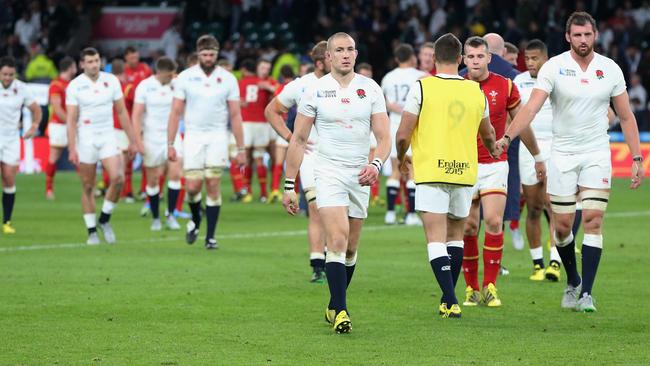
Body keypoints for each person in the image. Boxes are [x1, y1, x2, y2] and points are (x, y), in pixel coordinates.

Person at [498, 11, 644, 312]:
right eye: (577, 35)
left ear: (596, 35)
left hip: (596, 153)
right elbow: (530, 109)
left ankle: (587, 293)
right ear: (568, 37)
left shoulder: (610, 69)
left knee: (593, 220)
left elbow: (626, 116)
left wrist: (637, 156)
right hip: (561, 154)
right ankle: (573, 279)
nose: (582, 40)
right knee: (563, 227)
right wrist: (508, 137)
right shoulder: (555, 67)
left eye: (587, 35)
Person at [282, 32, 390, 333]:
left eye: (350, 49)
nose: (345, 54)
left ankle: (333, 303)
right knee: (338, 239)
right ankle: (342, 311)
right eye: (339, 50)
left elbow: (384, 137)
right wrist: (289, 185)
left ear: (356, 54)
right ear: (328, 56)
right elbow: (299, 139)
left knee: (352, 248)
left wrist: (376, 164)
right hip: (326, 170)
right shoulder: (315, 90)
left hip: (360, 173)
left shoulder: (370, 89)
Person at [396, 33, 498, 318]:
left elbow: (403, 133)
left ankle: (451, 299)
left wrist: (402, 157)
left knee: (435, 238)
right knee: (455, 237)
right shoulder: (475, 91)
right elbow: (488, 134)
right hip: (465, 172)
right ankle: (447, 299)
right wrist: (493, 149)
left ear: (435, 58)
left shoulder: (422, 88)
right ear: (461, 59)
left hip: (431, 170)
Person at [461, 36, 544, 307]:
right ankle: (471, 287)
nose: (475, 61)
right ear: (464, 59)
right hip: (463, 165)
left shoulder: (504, 85)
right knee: (470, 226)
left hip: (495, 162)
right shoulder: (456, 87)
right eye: (470, 56)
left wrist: (537, 156)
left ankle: (490, 286)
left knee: (494, 222)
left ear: (489, 58)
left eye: (479, 56)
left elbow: (522, 121)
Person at [167, 34, 246, 250]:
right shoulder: (185, 77)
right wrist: (171, 144)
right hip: (192, 136)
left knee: (212, 184)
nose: (208, 58)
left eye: (212, 54)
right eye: (204, 54)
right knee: (192, 187)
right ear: (198, 54)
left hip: (217, 136)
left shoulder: (228, 79)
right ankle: (196, 219)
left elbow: (236, 115)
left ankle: (210, 237)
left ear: (217, 54)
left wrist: (240, 148)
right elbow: (175, 113)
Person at [265, 41, 330, 283]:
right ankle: (318, 265)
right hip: (311, 156)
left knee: (338, 213)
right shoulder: (302, 85)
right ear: (319, 63)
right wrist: (290, 137)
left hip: (341, 157)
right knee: (316, 209)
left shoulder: (347, 84)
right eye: (330, 56)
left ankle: (336, 259)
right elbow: (271, 110)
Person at [66, 47, 140, 245]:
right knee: (88, 186)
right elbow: (71, 120)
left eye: (97, 60)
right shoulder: (75, 86)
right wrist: (72, 147)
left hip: (108, 135)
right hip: (86, 138)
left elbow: (122, 112)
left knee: (117, 178)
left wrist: (132, 140)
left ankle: (105, 219)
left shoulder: (111, 81)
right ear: (82, 64)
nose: (94, 65)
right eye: (89, 61)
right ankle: (91, 231)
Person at [513, 39, 563, 282]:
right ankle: (537, 264)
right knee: (533, 208)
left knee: (553, 204)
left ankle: (555, 260)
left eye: (535, 58)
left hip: (555, 146)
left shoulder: (558, 78)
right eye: (528, 58)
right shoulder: (518, 82)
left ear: (545, 58)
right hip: (527, 149)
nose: (530, 63)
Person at [132, 56, 182, 231]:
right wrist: (137, 141)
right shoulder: (145, 86)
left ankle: (170, 215)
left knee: (176, 174)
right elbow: (137, 115)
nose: (172, 77)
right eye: (170, 74)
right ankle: (155, 217)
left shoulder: (178, 85)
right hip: (151, 137)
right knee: (153, 179)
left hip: (173, 136)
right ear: (160, 73)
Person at [381, 44, 427, 226]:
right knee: (413, 171)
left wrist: (394, 107)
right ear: (412, 57)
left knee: (395, 171)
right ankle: (411, 215)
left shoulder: (388, 77)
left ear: (397, 59)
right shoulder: (421, 76)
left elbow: (385, 103)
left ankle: (390, 213)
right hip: (414, 125)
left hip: (394, 125)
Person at [0, 56, 41, 234]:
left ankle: (7, 222)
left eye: (10, 74)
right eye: (4, 74)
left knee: (9, 177)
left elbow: (36, 109)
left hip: (11, 139)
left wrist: (33, 126)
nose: (7, 78)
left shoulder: (22, 88)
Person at [239, 58, 276, 203]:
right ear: (257, 68)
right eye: (263, 68)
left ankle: (255, 192)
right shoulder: (267, 82)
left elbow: (239, 100)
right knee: (255, 158)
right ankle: (259, 193)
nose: (265, 71)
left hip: (253, 123)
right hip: (257, 123)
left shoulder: (244, 82)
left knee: (251, 158)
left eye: (267, 68)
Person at [45, 56, 76, 200]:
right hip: (59, 125)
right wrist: (71, 123)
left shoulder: (74, 84)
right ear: (70, 67)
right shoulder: (56, 84)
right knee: (54, 156)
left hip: (73, 125)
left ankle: (89, 188)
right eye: (74, 66)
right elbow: (57, 109)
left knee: (82, 155)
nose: (76, 68)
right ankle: (49, 189)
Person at [268, 65, 296, 203]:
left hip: (283, 129)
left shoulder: (281, 88)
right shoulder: (298, 86)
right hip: (296, 130)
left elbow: (276, 108)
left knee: (278, 163)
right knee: (298, 164)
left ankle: (274, 190)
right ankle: (297, 191)